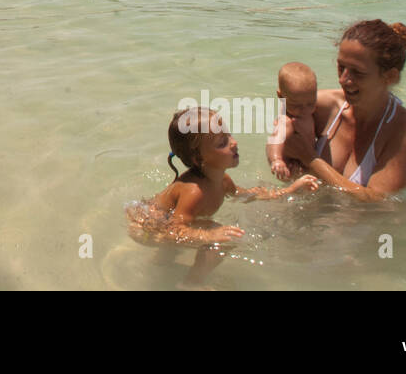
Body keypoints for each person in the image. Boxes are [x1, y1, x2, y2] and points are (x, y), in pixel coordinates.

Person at [126, 106, 318, 284]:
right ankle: (190, 284)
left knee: (210, 230)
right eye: (222, 142)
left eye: (229, 135)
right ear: (199, 158)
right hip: (145, 228)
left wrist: (290, 189)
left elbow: (247, 195)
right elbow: (174, 230)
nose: (233, 143)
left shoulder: (223, 180)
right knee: (221, 236)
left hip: (160, 221)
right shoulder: (194, 192)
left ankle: (161, 264)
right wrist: (209, 235)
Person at [280, 20, 406, 200]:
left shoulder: (405, 131)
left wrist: (309, 159)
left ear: (390, 76)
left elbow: (376, 201)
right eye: (341, 67)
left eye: (357, 72)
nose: (343, 79)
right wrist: (285, 159)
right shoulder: (320, 105)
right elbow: (281, 141)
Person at [266, 62, 319, 180]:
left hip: (304, 158)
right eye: (297, 105)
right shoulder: (287, 121)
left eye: (310, 103)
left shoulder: (306, 107)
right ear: (280, 96)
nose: (304, 110)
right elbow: (275, 139)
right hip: (290, 166)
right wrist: (277, 160)